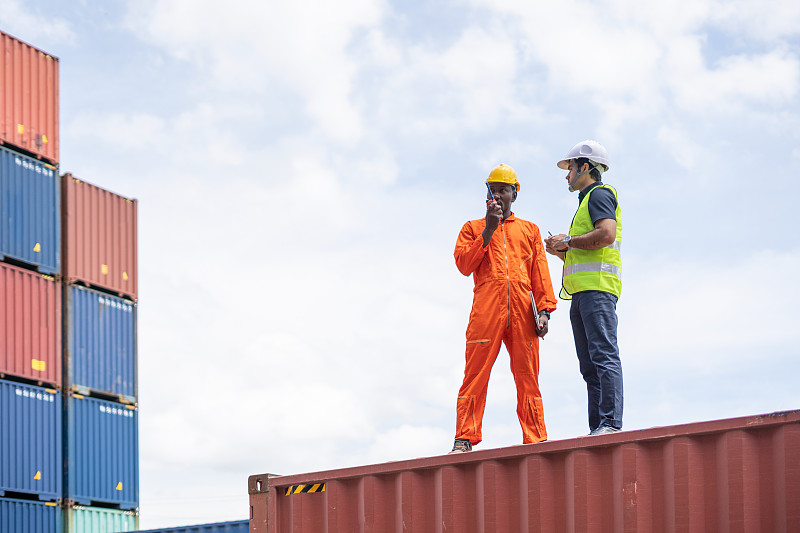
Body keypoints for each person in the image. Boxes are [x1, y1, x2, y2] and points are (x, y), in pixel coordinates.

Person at [450, 163, 557, 453]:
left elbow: (540, 275)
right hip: (486, 310)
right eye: (493, 190)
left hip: (523, 311)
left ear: (514, 194)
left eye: (504, 190)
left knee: (528, 375)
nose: (498, 195)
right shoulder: (472, 228)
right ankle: (464, 437)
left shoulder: (530, 231)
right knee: (475, 374)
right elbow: (463, 265)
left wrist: (544, 311)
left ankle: (535, 439)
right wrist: (488, 229)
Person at [544, 140, 623, 436]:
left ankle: (611, 423)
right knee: (589, 365)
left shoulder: (599, 195)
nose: (566, 175)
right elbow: (585, 249)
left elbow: (606, 235)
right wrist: (561, 251)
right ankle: (598, 427)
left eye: (570, 168)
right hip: (582, 294)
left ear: (585, 167)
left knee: (603, 356)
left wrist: (569, 241)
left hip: (597, 291)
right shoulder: (586, 202)